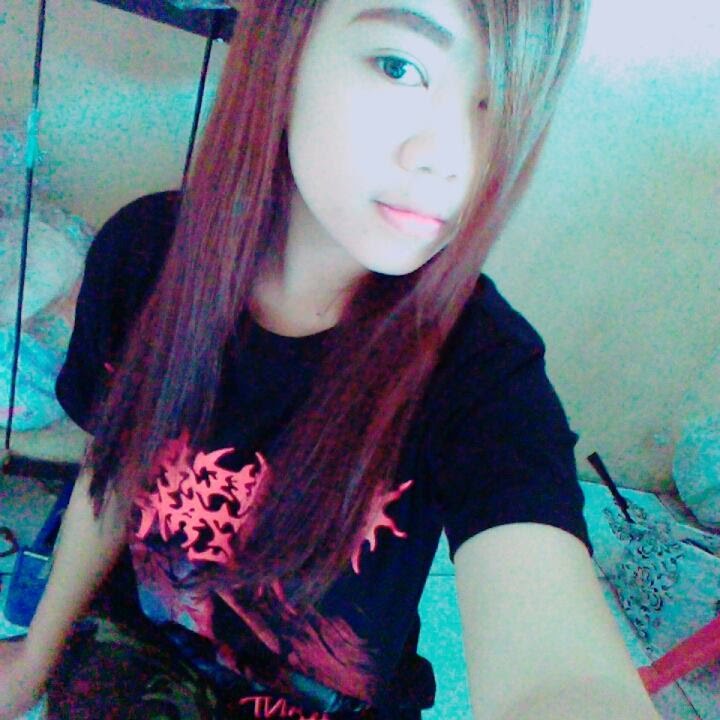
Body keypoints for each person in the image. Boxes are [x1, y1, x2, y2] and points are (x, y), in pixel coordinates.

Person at [0, 1, 631, 718]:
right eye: (400, 67)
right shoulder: (145, 255)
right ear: (287, 44)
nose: (452, 157)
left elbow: (560, 676)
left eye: (500, 103)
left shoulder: (484, 375)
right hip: (133, 666)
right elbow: (111, 472)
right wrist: (37, 653)